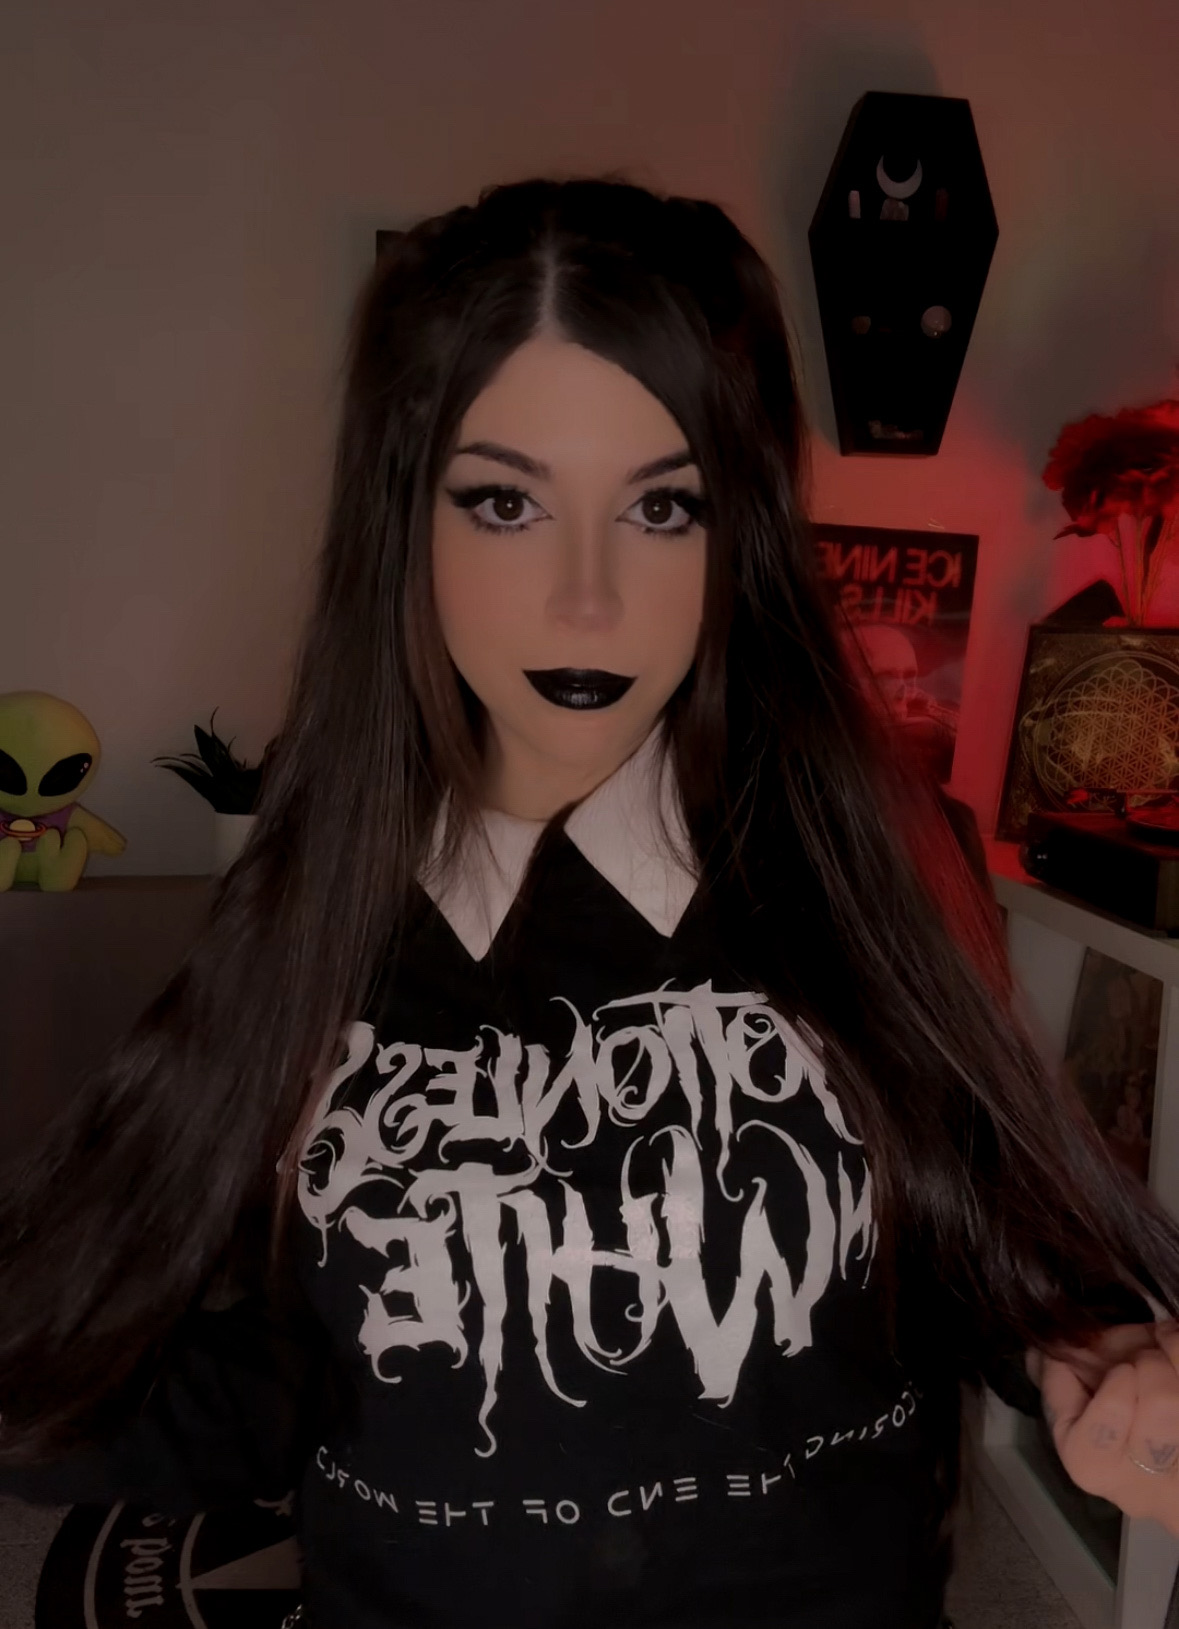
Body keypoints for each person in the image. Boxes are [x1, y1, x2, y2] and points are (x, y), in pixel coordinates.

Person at [4, 175, 1179, 1629]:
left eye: (662, 506)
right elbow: (301, 1379)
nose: (586, 599)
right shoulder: (315, 908)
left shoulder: (870, 859)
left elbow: (986, 1238)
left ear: (739, 527)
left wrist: (1098, 1352)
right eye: (504, 502)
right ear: (407, 518)